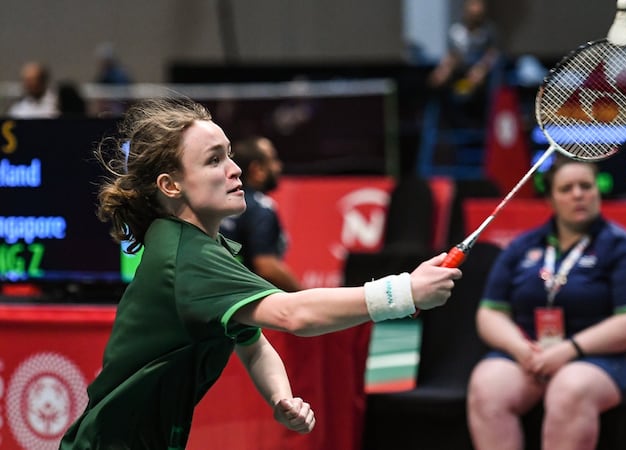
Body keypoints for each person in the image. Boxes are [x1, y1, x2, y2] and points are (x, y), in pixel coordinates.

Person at [59, 97, 462, 449]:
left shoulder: (202, 247)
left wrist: (279, 397)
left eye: (229, 153)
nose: (235, 169)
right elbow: (293, 314)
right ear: (170, 185)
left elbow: (252, 342)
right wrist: (403, 292)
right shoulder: (187, 257)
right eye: (214, 160)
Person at [466, 155, 626, 450]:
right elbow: (490, 313)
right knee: (487, 387)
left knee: (569, 388)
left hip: (618, 356)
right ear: (550, 199)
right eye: (567, 188)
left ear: (598, 191)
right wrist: (520, 349)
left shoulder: (624, 249)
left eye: (586, 186)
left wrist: (570, 350)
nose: (578, 194)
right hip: (536, 353)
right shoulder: (523, 247)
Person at [220, 136, 301, 291]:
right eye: (273, 160)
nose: (279, 167)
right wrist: (303, 296)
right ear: (257, 170)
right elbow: (266, 266)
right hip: (245, 299)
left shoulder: (218, 202)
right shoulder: (261, 207)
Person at [428, 0, 500, 125]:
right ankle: (443, 123)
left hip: (480, 78)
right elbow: (452, 55)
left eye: (478, 13)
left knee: (477, 78)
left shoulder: (488, 32)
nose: (475, 14)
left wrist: (481, 69)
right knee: (438, 78)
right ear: (465, 11)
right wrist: (443, 69)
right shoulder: (456, 31)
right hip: (459, 72)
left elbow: (492, 55)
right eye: (472, 11)